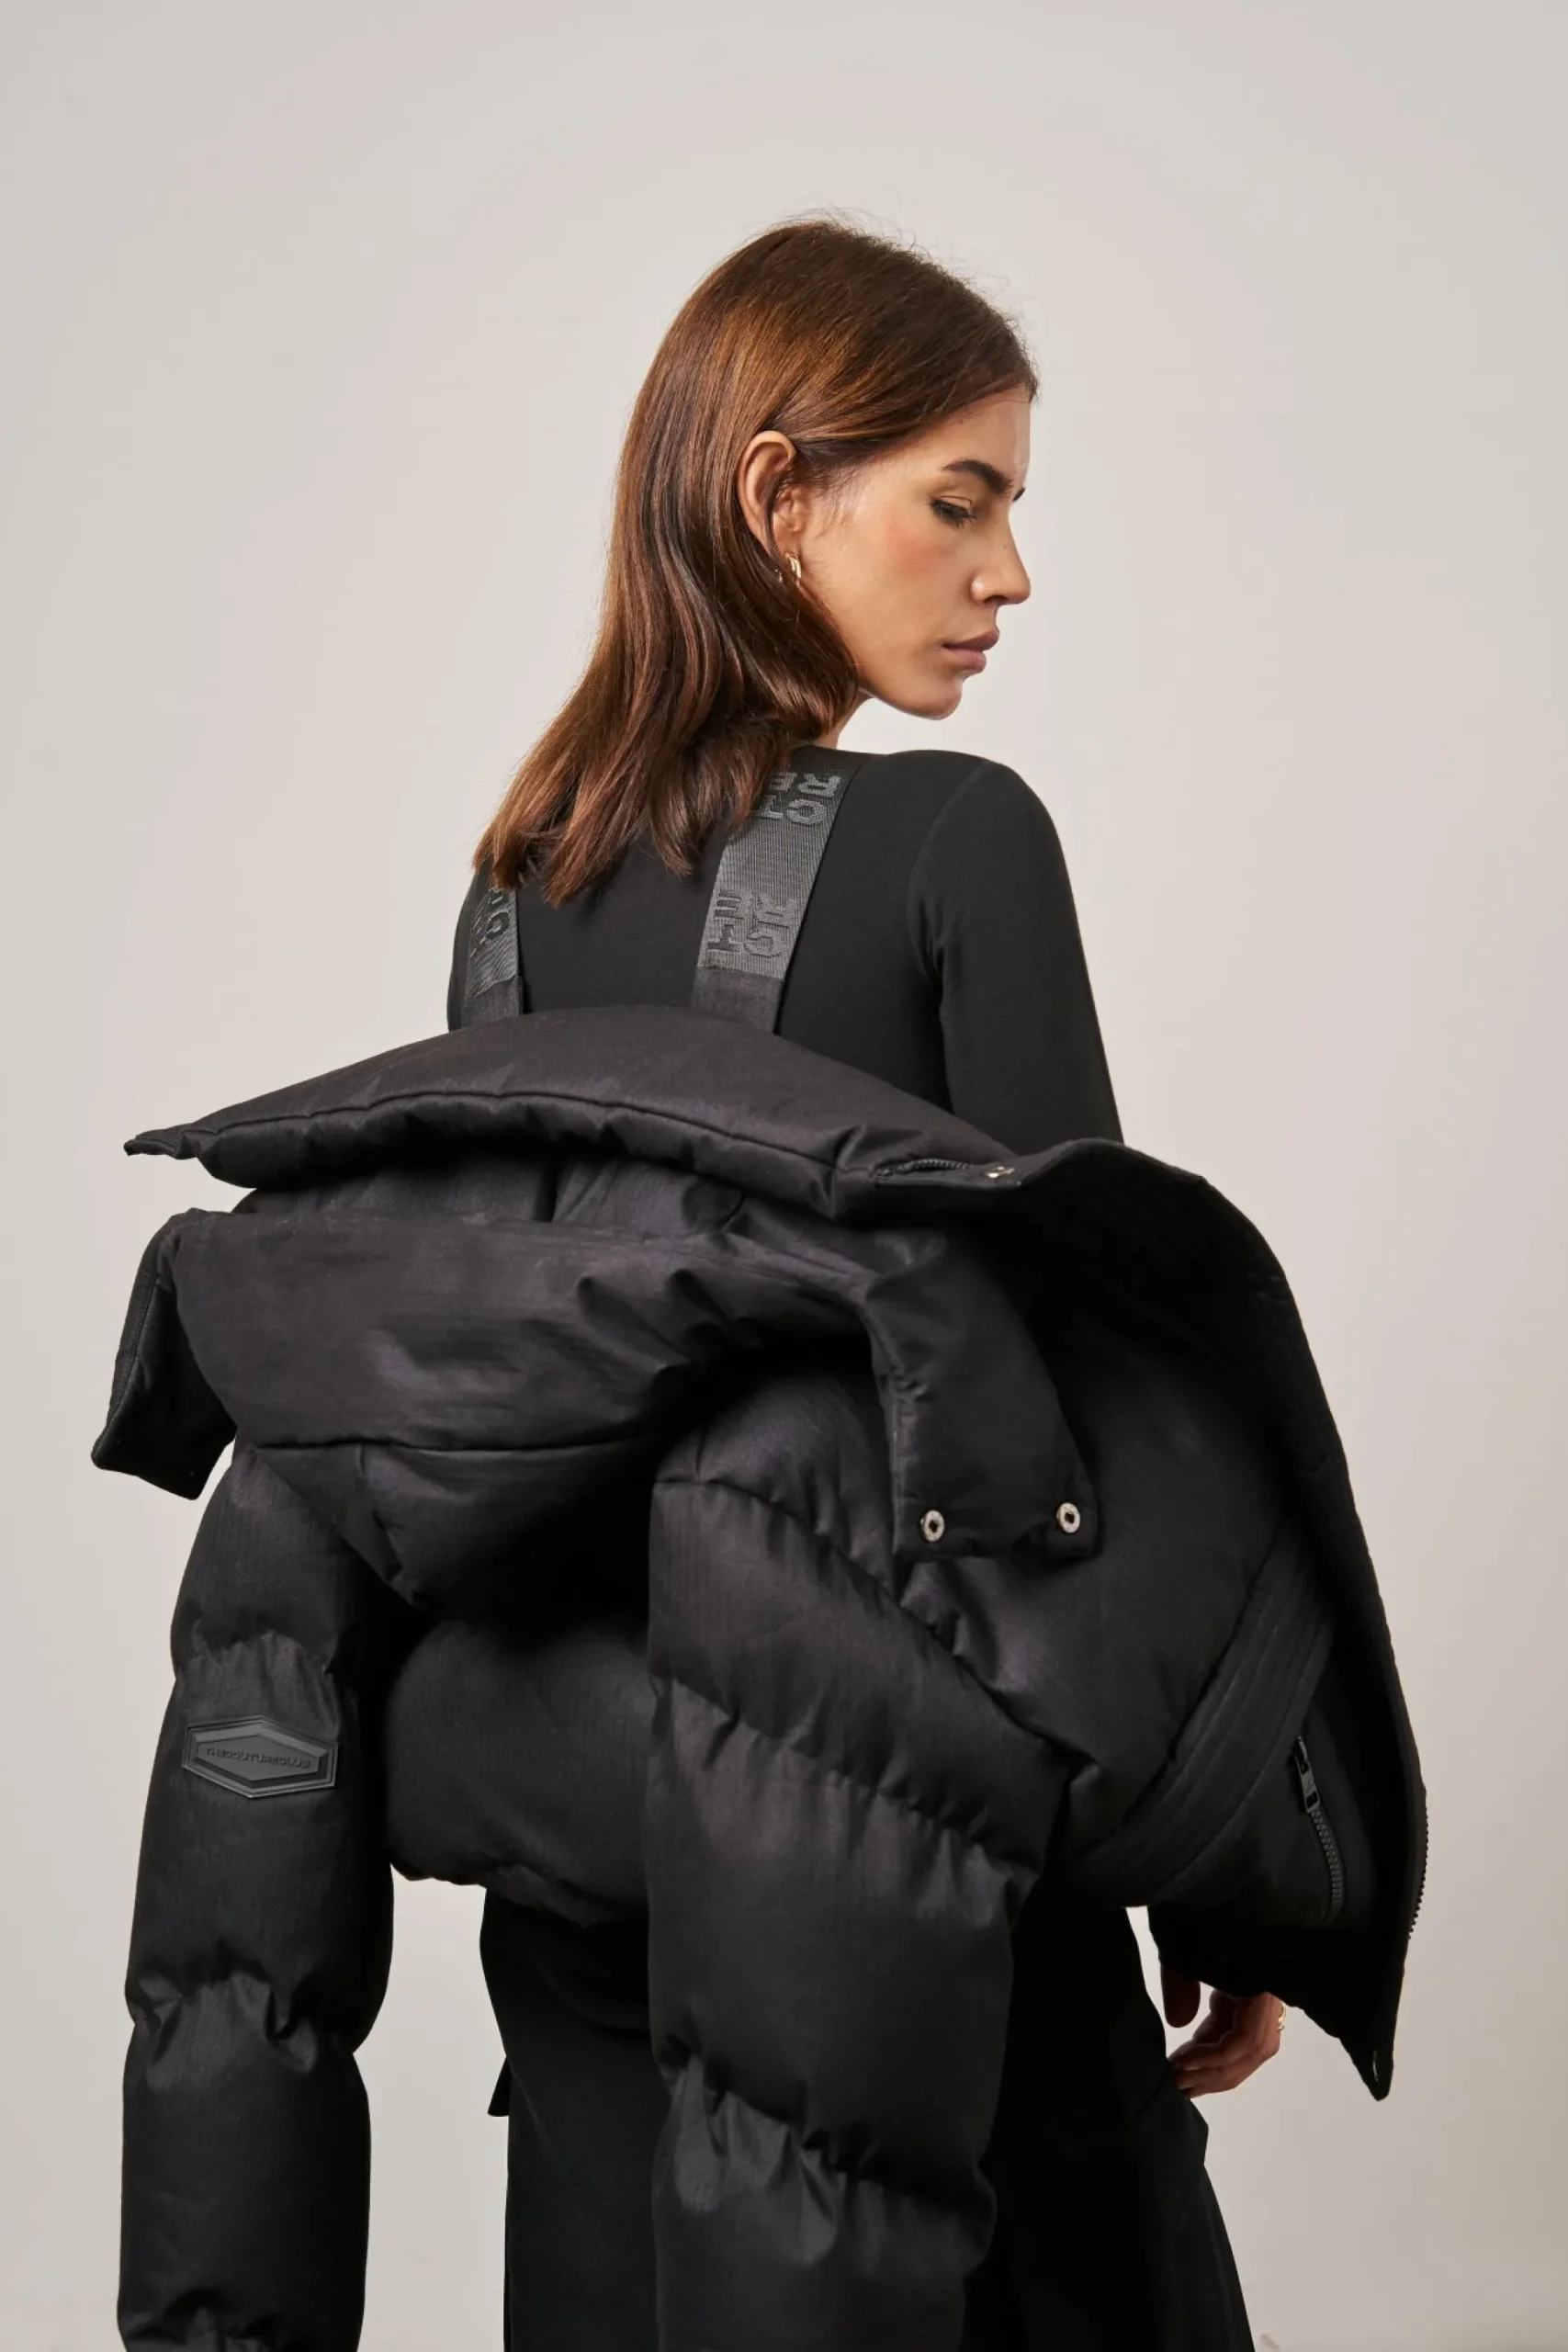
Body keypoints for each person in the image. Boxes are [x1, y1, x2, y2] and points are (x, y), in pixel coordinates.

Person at [445, 217, 1281, 2349]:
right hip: (921, 1874)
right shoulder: (957, 841)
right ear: (775, 493)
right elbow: (1098, 1414)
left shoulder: (510, 897)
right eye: (961, 500)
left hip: (592, 1890)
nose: (1010, 573)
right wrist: (1221, 1847)